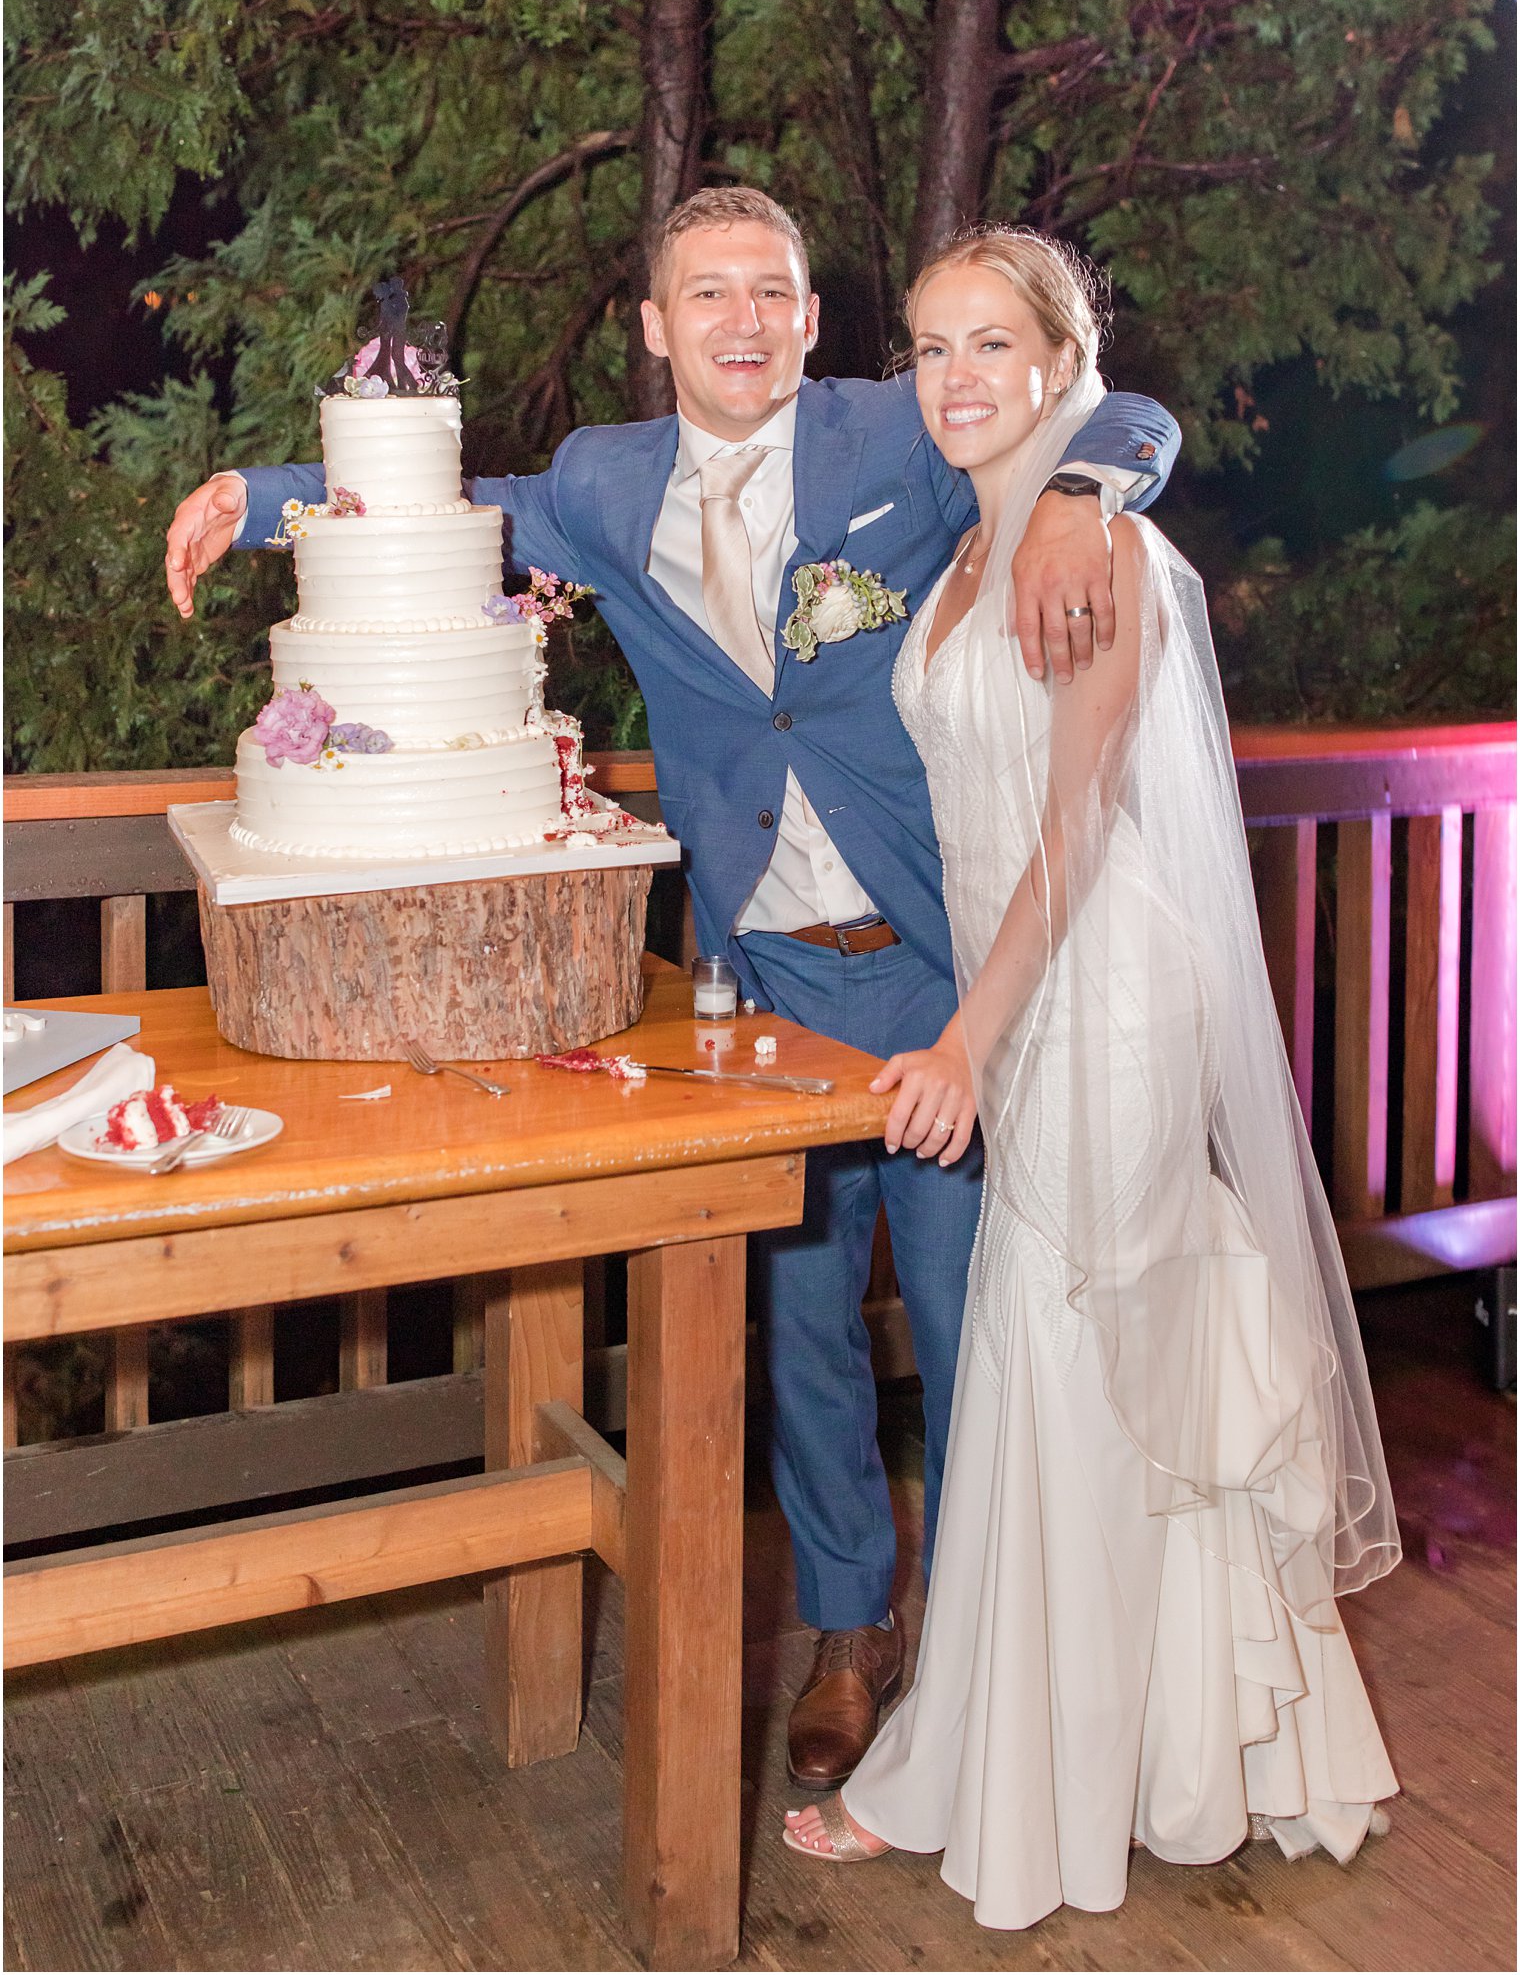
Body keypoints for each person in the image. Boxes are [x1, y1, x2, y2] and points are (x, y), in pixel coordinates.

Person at [164, 189, 1179, 1790]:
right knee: (799, 1317)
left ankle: (1001, 1648)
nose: (744, 321)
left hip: (941, 961)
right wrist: (257, 489)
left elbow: (1114, 404)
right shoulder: (600, 481)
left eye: (770, 292)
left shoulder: (895, 431)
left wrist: (1074, 501)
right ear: (657, 327)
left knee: (989, 1309)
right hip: (758, 983)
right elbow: (453, 510)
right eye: (707, 295)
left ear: (811, 315)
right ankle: (857, 1628)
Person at [782, 227, 1399, 1924]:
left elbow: (1074, 824)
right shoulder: (967, 554)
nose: (958, 377)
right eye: (930, 349)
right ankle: (1188, 1752)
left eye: (993, 345)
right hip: (1015, 982)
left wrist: (967, 1042)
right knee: (1072, 1367)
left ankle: (1027, 1779)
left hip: (1101, 992)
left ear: (1066, 366)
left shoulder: (1098, 552)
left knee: (1068, 1359)